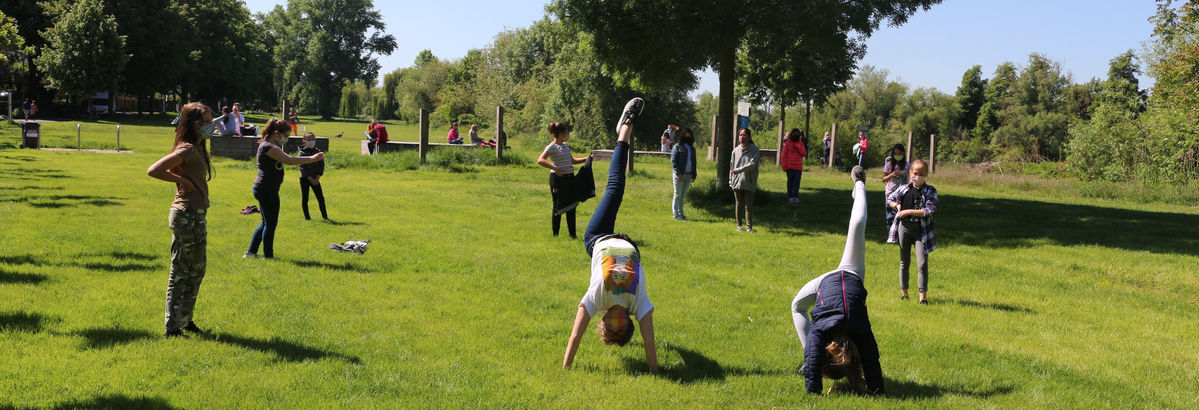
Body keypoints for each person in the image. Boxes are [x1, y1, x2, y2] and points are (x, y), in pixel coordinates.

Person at [563, 97, 657, 373]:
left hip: (604, 240)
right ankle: (623, 130)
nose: (614, 322)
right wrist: (654, 372)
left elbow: (649, 340)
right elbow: (648, 341)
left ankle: (624, 130)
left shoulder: (617, 299)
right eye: (620, 327)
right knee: (614, 187)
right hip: (615, 242)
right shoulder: (613, 300)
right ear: (627, 322)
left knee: (615, 187)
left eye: (610, 327)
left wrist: (566, 369)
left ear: (603, 321)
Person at [790, 165, 884, 395]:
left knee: (797, 306)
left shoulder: (822, 332)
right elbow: (871, 361)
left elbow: (815, 359)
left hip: (825, 283)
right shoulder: (856, 332)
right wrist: (877, 390)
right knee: (858, 224)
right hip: (849, 273)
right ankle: (859, 182)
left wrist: (814, 392)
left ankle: (859, 185)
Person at [146, 102, 217, 338]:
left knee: (196, 270)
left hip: (196, 215)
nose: (211, 126)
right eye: (207, 122)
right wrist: (184, 182)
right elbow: (154, 170)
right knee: (181, 270)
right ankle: (172, 327)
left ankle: (185, 320)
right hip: (186, 215)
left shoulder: (197, 147)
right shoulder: (186, 148)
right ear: (195, 124)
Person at [244, 119, 324, 259]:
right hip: (266, 190)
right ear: (276, 133)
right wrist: (312, 158)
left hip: (267, 189)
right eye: (286, 136)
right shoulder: (269, 147)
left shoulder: (271, 145)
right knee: (270, 224)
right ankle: (268, 256)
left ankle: (251, 252)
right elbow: (290, 160)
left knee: (265, 223)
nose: (286, 139)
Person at [886, 159, 938, 304]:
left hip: (921, 231)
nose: (917, 176)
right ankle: (904, 293)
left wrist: (908, 211)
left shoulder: (930, 191)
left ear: (926, 175)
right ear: (910, 173)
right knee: (904, 262)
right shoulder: (904, 189)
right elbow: (889, 199)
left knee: (922, 263)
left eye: (921, 174)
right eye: (915, 173)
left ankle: (923, 297)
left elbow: (929, 210)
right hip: (904, 228)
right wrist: (896, 206)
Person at [537, 122, 590, 238]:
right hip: (558, 180)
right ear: (560, 133)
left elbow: (572, 161)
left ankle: (573, 235)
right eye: (567, 132)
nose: (568, 134)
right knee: (557, 207)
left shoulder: (565, 146)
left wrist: (586, 159)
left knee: (571, 206)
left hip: (569, 178)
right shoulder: (552, 147)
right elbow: (540, 160)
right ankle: (555, 234)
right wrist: (555, 168)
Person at [729, 128, 760, 232]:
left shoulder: (754, 150)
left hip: (749, 181)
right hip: (737, 181)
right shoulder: (735, 151)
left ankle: (749, 227)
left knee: (748, 205)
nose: (742, 137)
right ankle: (739, 226)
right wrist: (731, 180)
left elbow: (752, 164)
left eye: (745, 135)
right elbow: (731, 167)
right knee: (739, 204)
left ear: (749, 137)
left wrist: (738, 170)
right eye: (741, 135)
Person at [298, 132, 328, 220]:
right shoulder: (302, 153)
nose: (311, 141)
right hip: (305, 179)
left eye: (313, 140)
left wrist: (317, 177)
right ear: (304, 142)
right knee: (305, 198)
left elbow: (321, 165)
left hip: (316, 178)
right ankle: (307, 217)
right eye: (309, 140)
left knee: (321, 198)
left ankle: (325, 217)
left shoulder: (318, 152)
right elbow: (302, 167)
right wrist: (310, 178)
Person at [669, 127, 697, 221]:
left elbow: (694, 162)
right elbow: (673, 161)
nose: (688, 136)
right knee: (677, 195)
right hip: (679, 174)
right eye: (686, 134)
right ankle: (676, 215)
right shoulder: (677, 146)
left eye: (689, 134)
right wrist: (678, 173)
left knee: (683, 196)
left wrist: (694, 174)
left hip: (688, 174)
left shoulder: (692, 148)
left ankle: (681, 214)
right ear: (682, 135)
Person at [881, 144, 909, 232]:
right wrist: (891, 174)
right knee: (890, 215)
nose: (898, 156)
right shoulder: (889, 165)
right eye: (895, 154)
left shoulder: (907, 165)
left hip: (903, 192)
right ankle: (891, 233)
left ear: (903, 154)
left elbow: (912, 177)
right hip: (890, 192)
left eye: (900, 153)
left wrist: (903, 174)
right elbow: (884, 179)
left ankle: (900, 233)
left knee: (901, 213)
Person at [780, 128, 808, 203]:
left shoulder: (801, 144)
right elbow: (783, 155)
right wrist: (784, 166)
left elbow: (804, 154)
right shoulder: (788, 144)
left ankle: (795, 196)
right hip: (789, 167)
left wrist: (799, 148)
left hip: (798, 167)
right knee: (790, 182)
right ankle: (790, 196)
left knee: (796, 182)